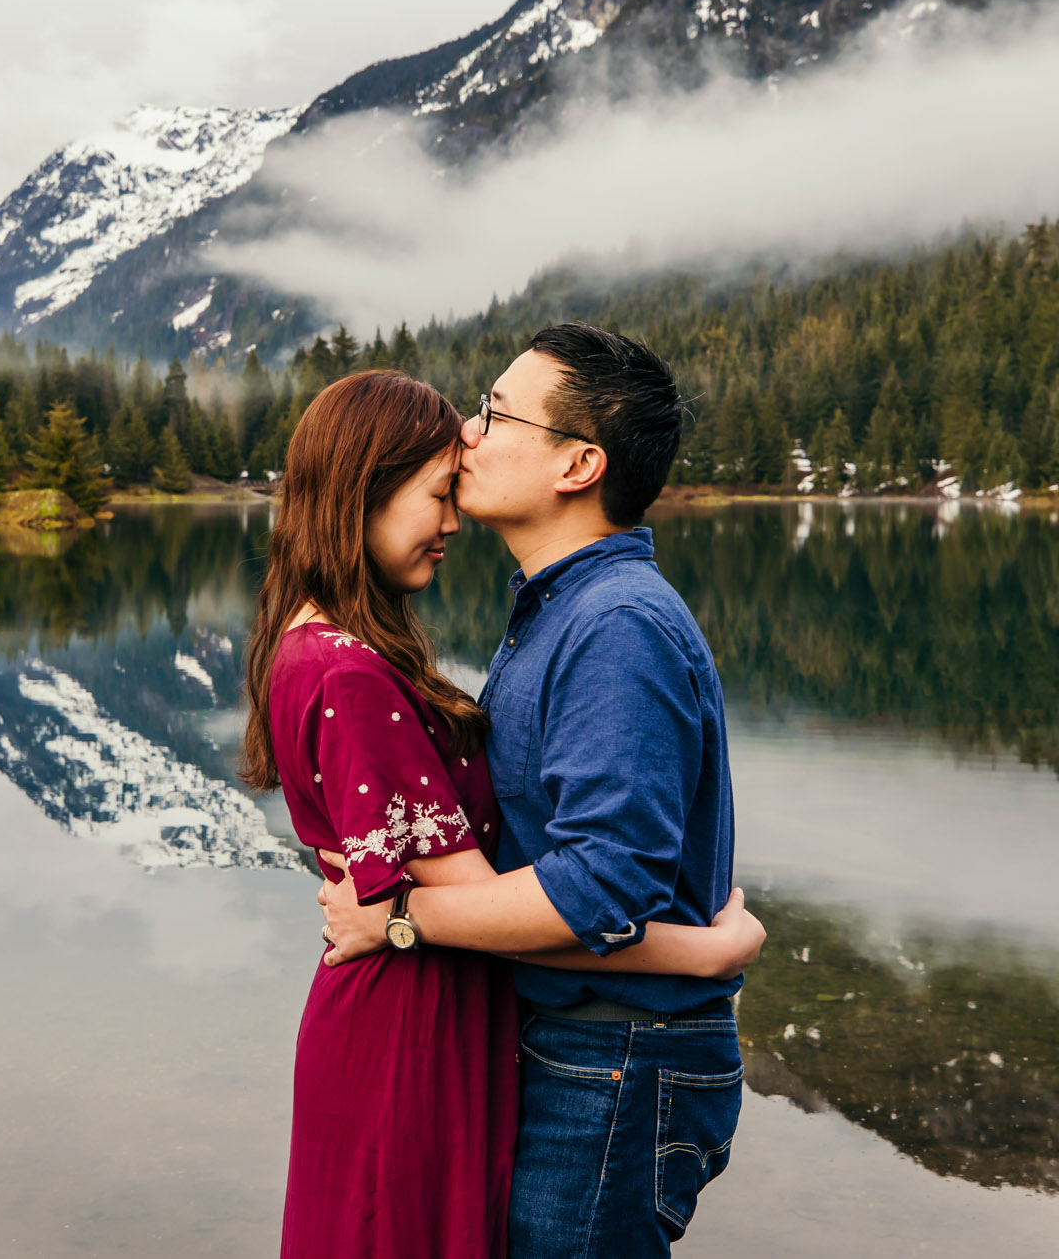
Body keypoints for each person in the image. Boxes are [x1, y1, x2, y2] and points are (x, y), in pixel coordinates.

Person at [242, 369, 762, 1259]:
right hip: (484, 1033)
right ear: (366, 486)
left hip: (603, 1051)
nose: (474, 438)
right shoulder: (364, 663)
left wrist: (397, 917)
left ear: (579, 463)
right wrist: (711, 948)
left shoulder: (611, 624)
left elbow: (593, 887)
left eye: (495, 413)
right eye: (438, 486)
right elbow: (543, 890)